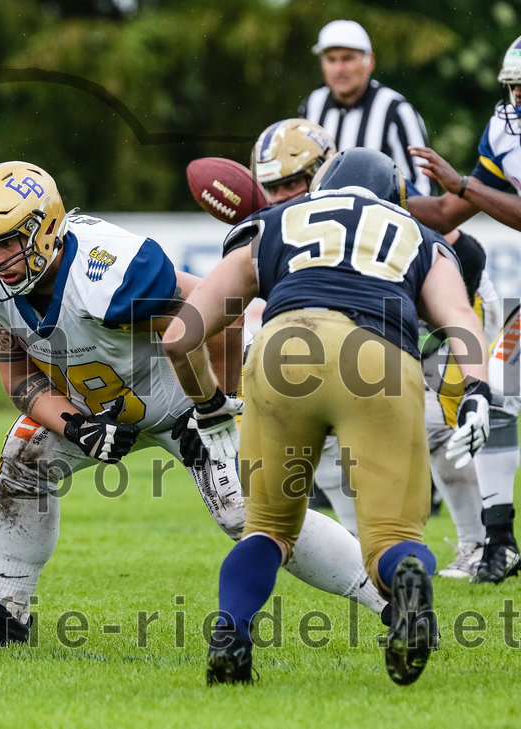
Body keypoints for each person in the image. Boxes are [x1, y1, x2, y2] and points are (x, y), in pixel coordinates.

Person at [0, 160, 388, 646]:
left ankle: (390, 601)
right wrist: (77, 426)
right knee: (22, 461)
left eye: (6, 244)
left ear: (48, 228)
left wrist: (216, 405)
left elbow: (220, 308)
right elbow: (18, 379)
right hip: (105, 406)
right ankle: (10, 618)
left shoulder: (105, 269)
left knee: (247, 515)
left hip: (187, 398)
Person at [164, 148, 491, 686]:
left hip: (281, 353)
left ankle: (231, 631)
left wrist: (209, 405)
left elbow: (179, 338)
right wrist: (476, 389)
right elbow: (457, 315)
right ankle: (406, 575)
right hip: (379, 359)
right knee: (390, 536)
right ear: (395, 197)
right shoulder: (419, 237)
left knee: (266, 528)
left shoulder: (274, 222)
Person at [252, 120, 492, 579]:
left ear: (323, 173)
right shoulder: (284, 221)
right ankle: (367, 552)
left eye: (292, 183)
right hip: (367, 335)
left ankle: (482, 541)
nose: (282, 196)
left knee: (444, 427)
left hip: (445, 314)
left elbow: (470, 258)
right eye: (272, 187)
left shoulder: (385, 202)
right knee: (321, 447)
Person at [406, 34, 521, 584]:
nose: (517, 101)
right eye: (513, 89)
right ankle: (499, 543)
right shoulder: (504, 129)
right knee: (499, 400)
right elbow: (452, 206)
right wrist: (374, 195)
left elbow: (466, 192)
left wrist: (466, 184)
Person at [299, 20, 430, 195]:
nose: (339, 69)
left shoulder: (395, 110)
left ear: (369, 62)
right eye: (331, 59)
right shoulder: (313, 104)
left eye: (348, 59)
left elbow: (422, 187)